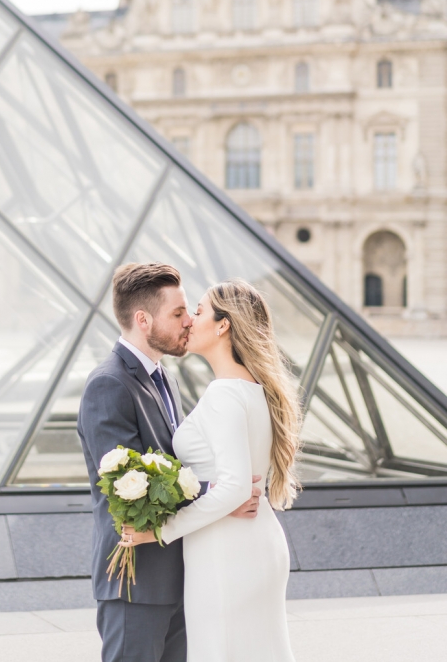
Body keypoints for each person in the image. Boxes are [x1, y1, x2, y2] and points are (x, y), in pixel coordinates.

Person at [77, 263, 262, 662]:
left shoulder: (166, 380)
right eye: (178, 313)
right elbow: (126, 491)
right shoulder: (108, 384)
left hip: (179, 572)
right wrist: (221, 495)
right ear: (143, 320)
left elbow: (175, 470)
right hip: (136, 577)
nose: (188, 322)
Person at [123, 279, 301, 662]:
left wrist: (157, 530)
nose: (189, 320)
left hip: (227, 552)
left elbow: (235, 487)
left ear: (223, 325)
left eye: (199, 311)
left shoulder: (224, 394)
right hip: (251, 542)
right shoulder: (252, 388)